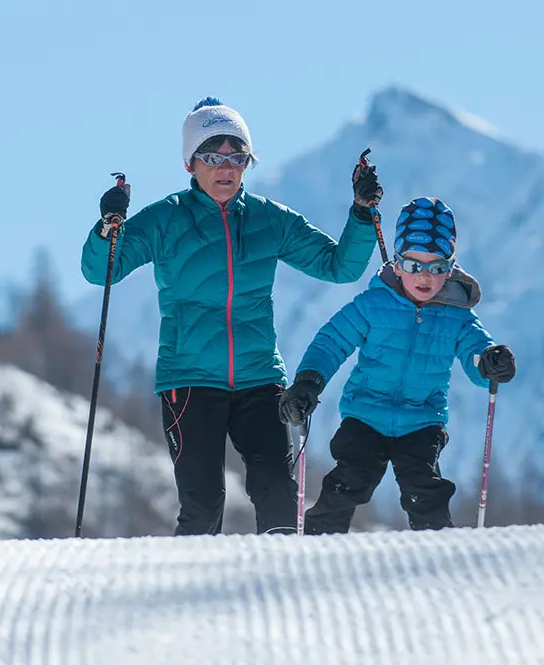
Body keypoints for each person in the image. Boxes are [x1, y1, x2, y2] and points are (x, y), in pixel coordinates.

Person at [80, 96, 385, 536]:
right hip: (188, 381)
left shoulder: (270, 219)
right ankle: (193, 598)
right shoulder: (166, 220)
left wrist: (361, 213)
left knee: (278, 494)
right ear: (191, 164)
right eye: (212, 156)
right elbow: (100, 271)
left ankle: (279, 592)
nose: (226, 167)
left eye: (237, 157)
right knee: (202, 505)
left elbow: (341, 266)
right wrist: (109, 228)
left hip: (259, 378)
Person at [278, 196, 517, 533]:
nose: (424, 276)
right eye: (414, 265)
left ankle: (437, 553)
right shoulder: (373, 304)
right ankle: (318, 542)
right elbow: (332, 342)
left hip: (421, 420)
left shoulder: (457, 315)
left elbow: (475, 353)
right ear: (397, 263)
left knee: (424, 489)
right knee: (350, 480)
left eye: (437, 267)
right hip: (365, 415)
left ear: (450, 269)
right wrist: (308, 382)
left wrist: (490, 363)